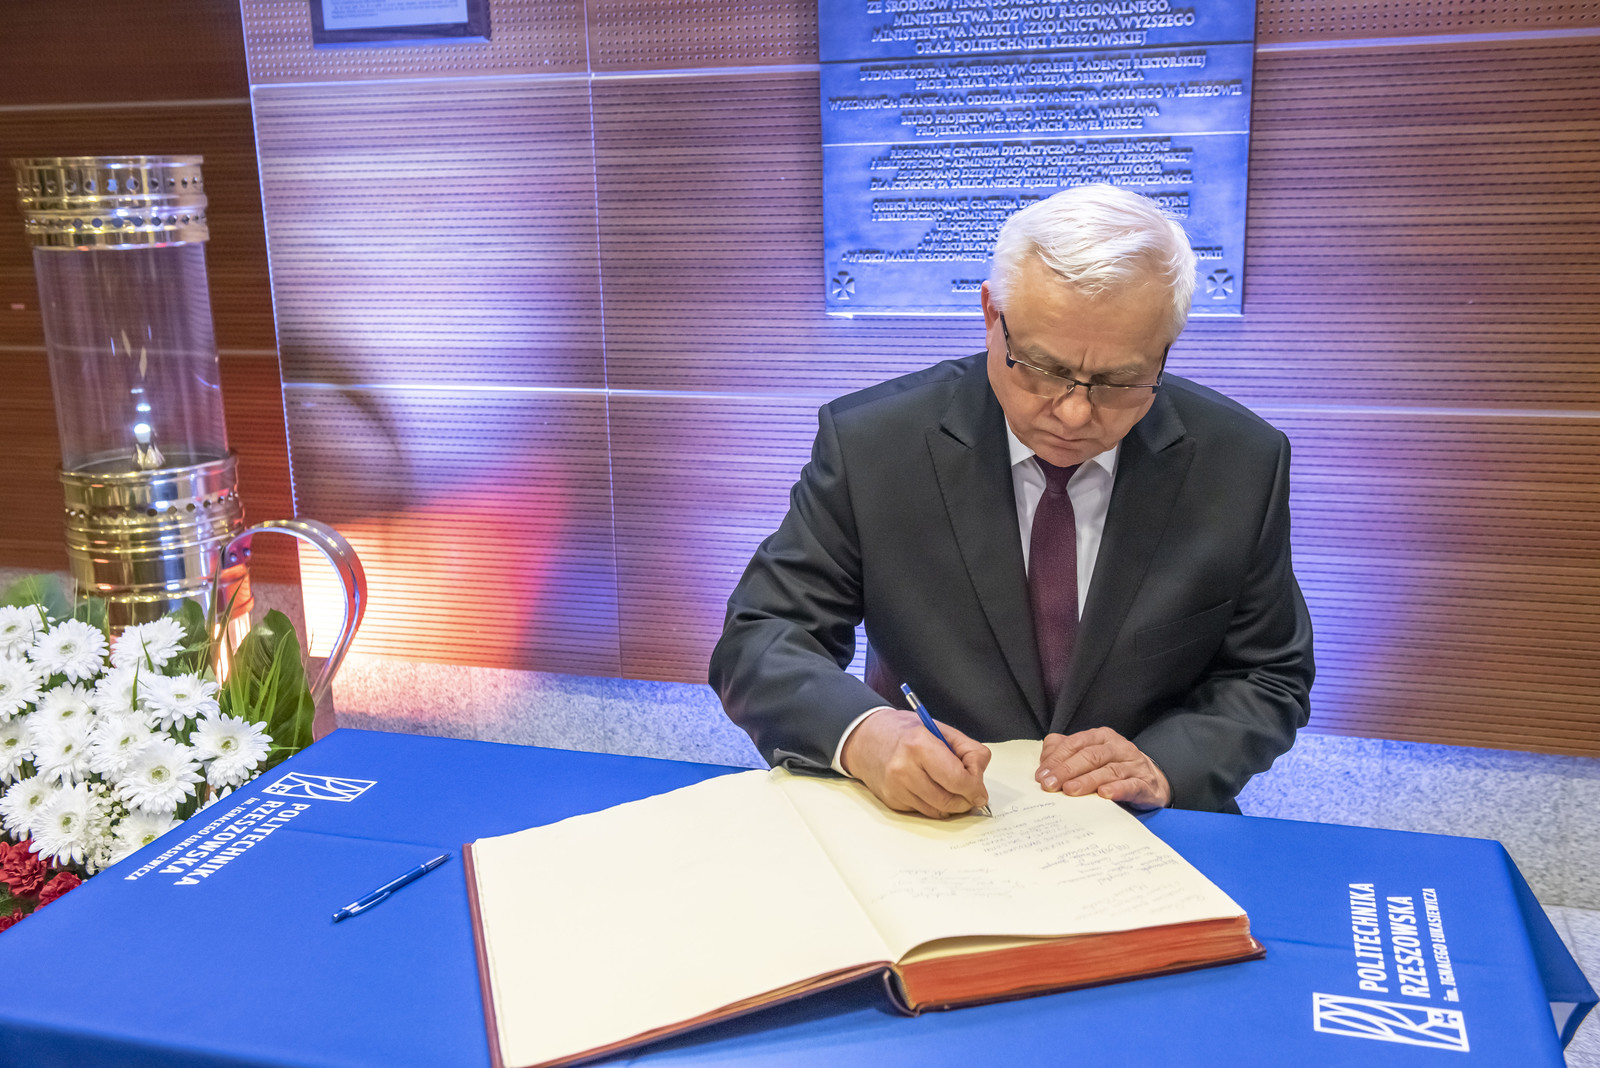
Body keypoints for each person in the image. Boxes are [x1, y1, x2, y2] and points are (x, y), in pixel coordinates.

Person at [709, 183, 1313, 818]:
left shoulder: (1240, 462)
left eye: (1119, 380)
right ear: (991, 314)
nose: (1074, 414)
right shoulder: (873, 445)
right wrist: (865, 735)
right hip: (927, 818)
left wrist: (1166, 764)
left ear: (1167, 347)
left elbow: (1268, 675)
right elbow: (763, 636)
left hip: (1146, 828)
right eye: (1045, 369)